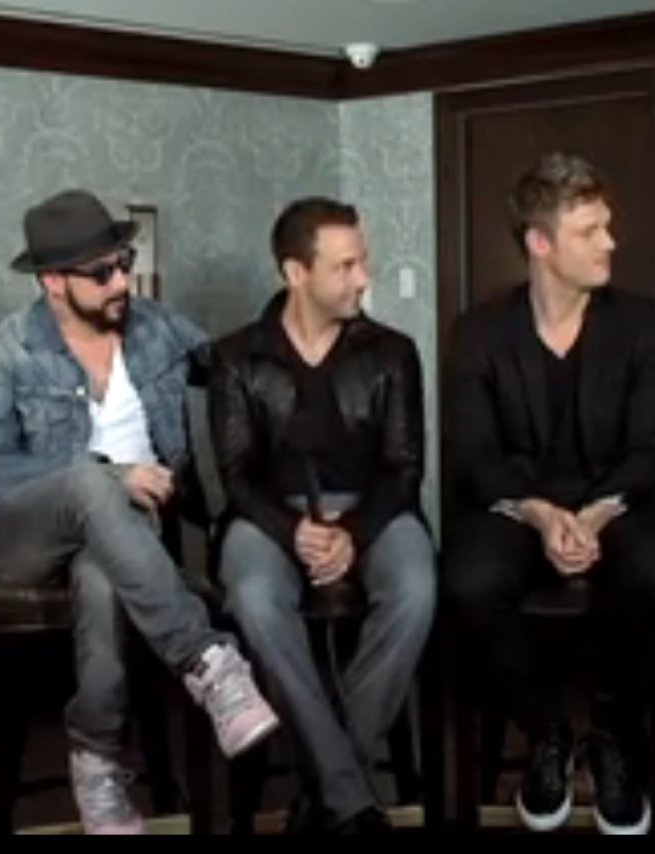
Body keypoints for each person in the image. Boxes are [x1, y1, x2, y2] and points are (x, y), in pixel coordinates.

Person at [0, 189, 278, 835]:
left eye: (123, 263)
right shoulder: (4, 354)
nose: (120, 283)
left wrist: (298, 310)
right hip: (23, 535)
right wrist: (112, 475)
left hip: (127, 540)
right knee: (89, 482)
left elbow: (235, 368)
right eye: (101, 272)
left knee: (102, 576)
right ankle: (207, 661)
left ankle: (96, 764)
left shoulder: (156, 328)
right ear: (53, 281)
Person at [442, 152, 655, 835]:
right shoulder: (479, 331)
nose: (610, 242)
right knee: (467, 581)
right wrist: (542, 513)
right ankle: (545, 730)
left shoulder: (639, 321)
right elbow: (476, 454)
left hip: (616, 505)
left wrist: (595, 514)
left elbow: (652, 446)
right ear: (540, 243)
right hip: (519, 508)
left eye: (606, 225)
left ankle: (614, 734)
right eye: (590, 231)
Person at [208, 197, 434, 835]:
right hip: (270, 519)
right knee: (253, 598)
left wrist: (351, 536)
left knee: (416, 589)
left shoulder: (392, 352)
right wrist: (294, 533)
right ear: (295, 273)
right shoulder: (237, 357)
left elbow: (405, 469)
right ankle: (350, 795)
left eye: (362, 261)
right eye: (345, 266)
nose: (363, 277)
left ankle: (329, 789)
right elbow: (236, 476)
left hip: (373, 513)